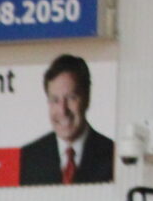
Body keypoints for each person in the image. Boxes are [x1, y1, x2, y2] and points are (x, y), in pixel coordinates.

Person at [19, 54, 115, 186]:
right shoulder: (28, 158)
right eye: (55, 100)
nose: (63, 110)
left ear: (87, 98)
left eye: (71, 98)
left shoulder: (113, 156)